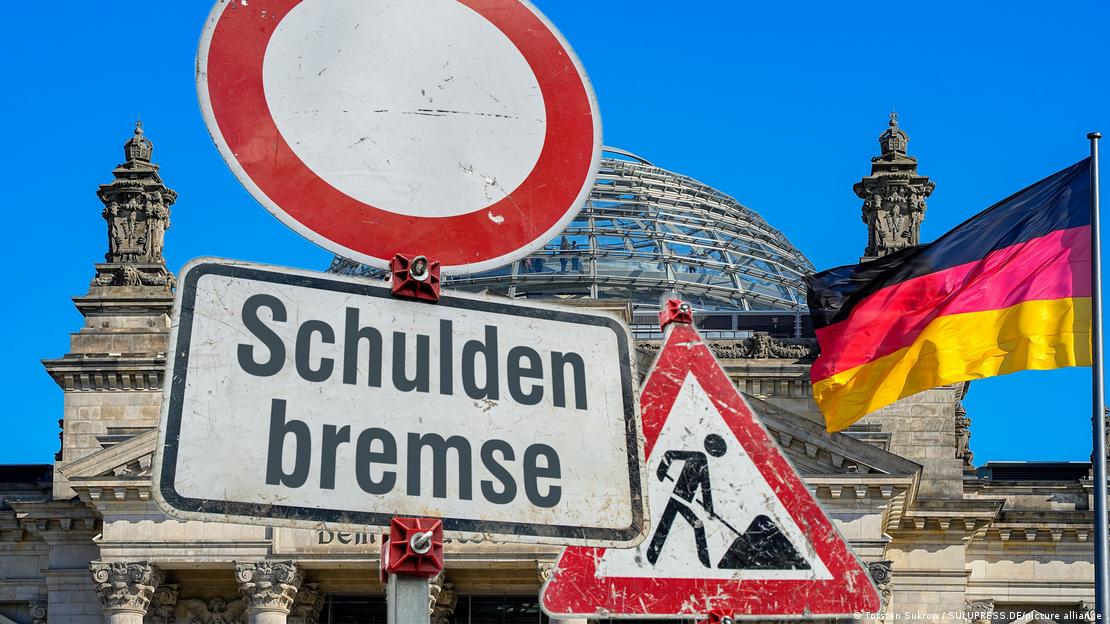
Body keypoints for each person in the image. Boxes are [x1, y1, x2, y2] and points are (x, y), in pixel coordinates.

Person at [646, 434, 727, 567]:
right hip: (676, 498)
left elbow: (705, 488)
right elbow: (670, 455)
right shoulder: (698, 457)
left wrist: (709, 509)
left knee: (669, 523)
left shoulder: (702, 460)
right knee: (676, 523)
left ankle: (652, 556)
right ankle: (704, 561)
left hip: (681, 501)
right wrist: (661, 474)